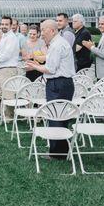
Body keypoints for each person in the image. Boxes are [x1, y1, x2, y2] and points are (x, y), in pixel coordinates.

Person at [26, 19, 75, 160]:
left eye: (43, 30)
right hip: (63, 84)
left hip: (58, 84)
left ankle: (57, 153)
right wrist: (36, 63)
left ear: (52, 30)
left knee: (55, 117)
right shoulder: (58, 43)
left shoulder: (57, 44)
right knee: (60, 117)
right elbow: (51, 60)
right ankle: (61, 151)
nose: (41, 34)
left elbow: (50, 69)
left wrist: (34, 67)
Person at [0, 16, 22, 120]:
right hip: (3, 68)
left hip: (9, 69)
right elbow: (1, 53)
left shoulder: (12, 37)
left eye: (6, 24)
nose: (4, 26)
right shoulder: (4, 36)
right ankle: (4, 115)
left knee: (8, 94)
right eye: (2, 24)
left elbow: (7, 54)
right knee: (3, 94)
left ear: (11, 26)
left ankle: (8, 118)